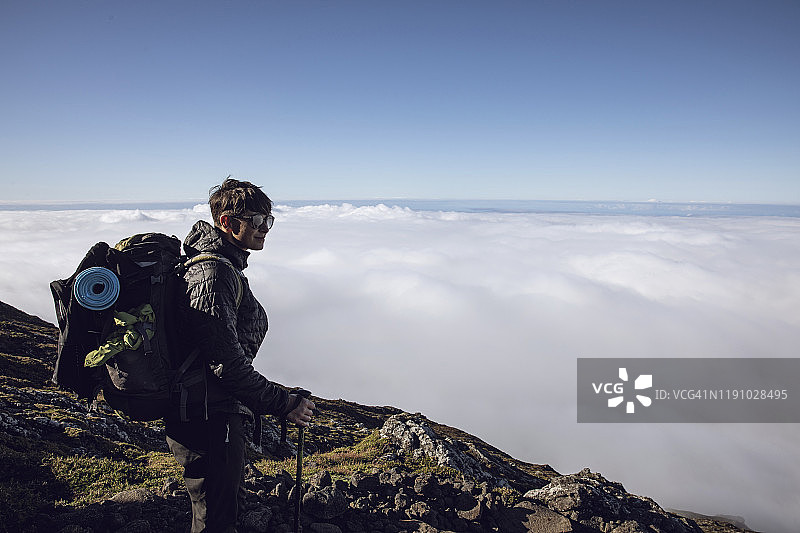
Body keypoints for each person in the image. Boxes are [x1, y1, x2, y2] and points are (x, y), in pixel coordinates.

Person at [166, 178, 314, 533]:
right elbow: (225, 364)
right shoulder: (212, 274)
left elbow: (220, 355)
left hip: (210, 409)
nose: (265, 229)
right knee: (216, 520)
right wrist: (284, 402)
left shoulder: (223, 268)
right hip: (207, 416)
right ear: (228, 223)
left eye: (269, 221)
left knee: (218, 511)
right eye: (257, 221)